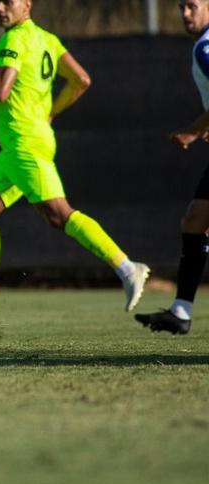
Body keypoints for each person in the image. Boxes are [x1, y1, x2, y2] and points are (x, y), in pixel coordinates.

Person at [0, 0, 148, 321]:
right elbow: (81, 79)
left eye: (8, 2)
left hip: (25, 146)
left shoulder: (14, 39)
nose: (0, 8)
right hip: (21, 146)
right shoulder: (47, 39)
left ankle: (126, 267)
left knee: (58, 215)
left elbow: (0, 90)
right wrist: (51, 112)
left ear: (27, 4)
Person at [136, 0, 209, 335]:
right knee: (195, 220)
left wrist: (193, 132)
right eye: (181, 6)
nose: (184, 13)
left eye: (192, 6)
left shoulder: (205, 47)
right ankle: (181, 311)